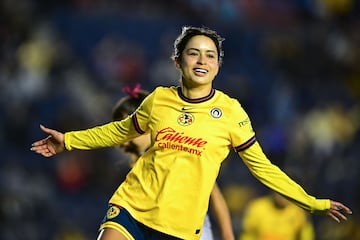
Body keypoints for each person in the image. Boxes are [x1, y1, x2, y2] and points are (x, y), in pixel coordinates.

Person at [30, 26, 352, 240]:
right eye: (194, 53)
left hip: (180, 229)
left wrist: (312, 203)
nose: (202, 60)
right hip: (132, 205)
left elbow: (263, 168)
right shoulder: (158, 100)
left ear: (218, 66)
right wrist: (68, 141)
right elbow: (120, 131)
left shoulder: (231, 113)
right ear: (178, 61)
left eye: (210, 55)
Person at [112, 85, 234, 240]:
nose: (121, 138)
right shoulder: (141, 165)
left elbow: (214, 194)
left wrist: (227, 235)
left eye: (126, 128)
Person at [238, 192, 315, 240]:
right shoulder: (258, 207)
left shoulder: (298, 212)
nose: (283, 197)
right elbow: (248, 235)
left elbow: (306, 237)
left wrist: (307, 224)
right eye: (281, 192)